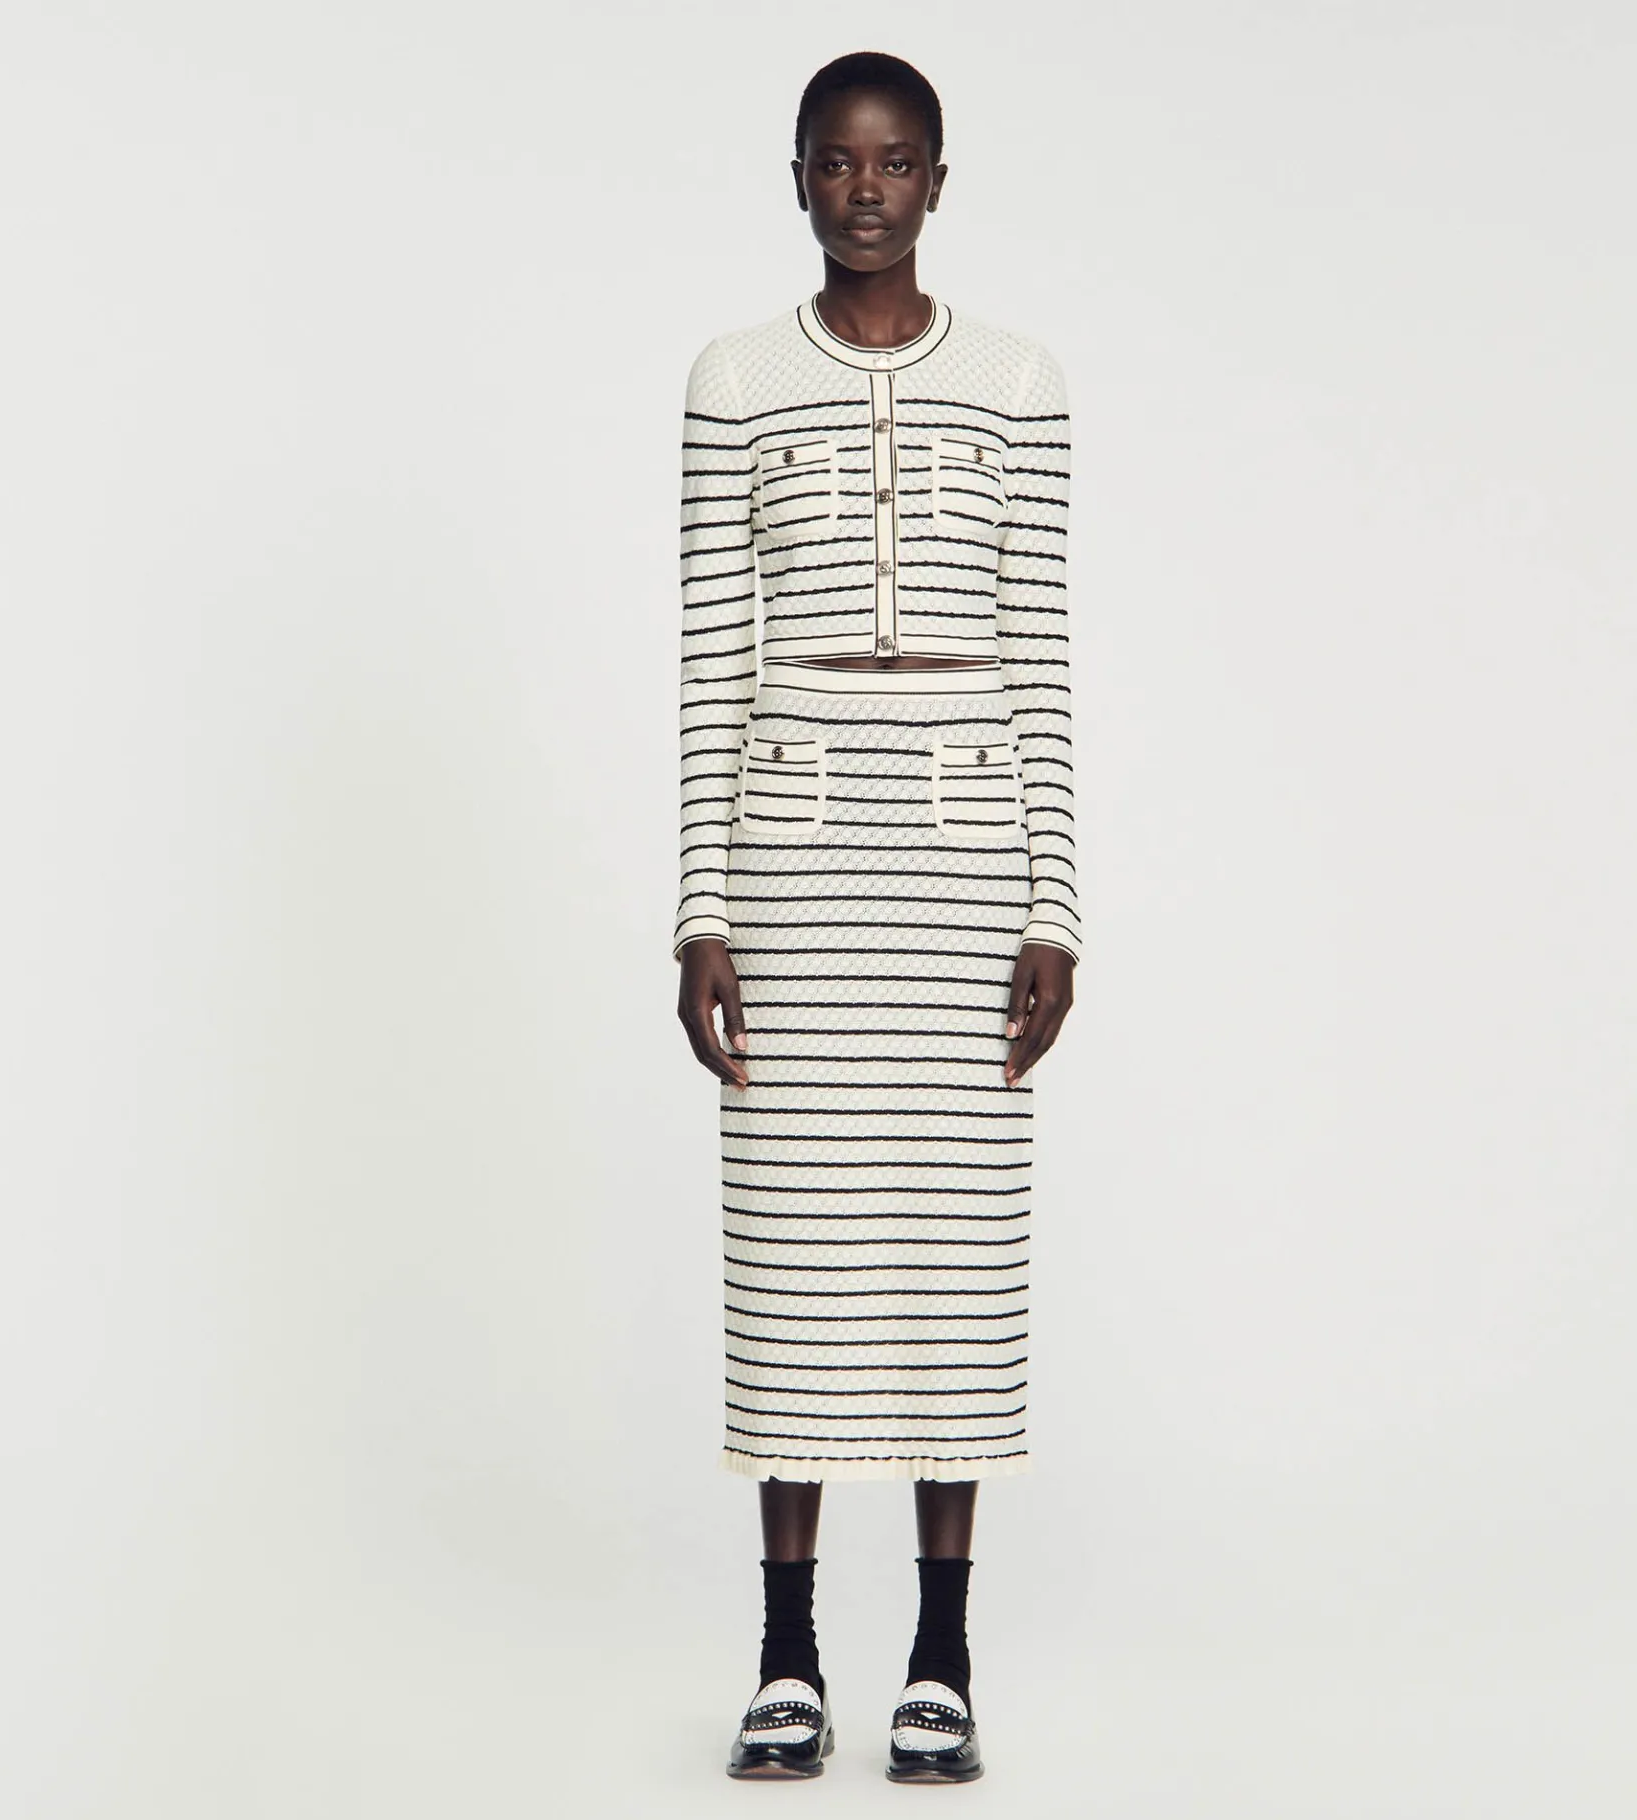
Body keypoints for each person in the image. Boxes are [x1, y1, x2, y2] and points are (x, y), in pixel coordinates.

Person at [672, 49, 1080, 1784]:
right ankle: (786, 1655)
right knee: (795, 1255)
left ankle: (940, 1657)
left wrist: (1056, 907)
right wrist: (699, 911)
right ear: (796, 177)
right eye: (837, 163)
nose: (865, 190)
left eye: (895, 162)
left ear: (937, 180)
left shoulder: (1020, 382)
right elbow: (711, 659)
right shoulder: (733, 380)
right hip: (796, 863)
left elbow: (1042, 654)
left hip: (965, 866)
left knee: (950, 1258)